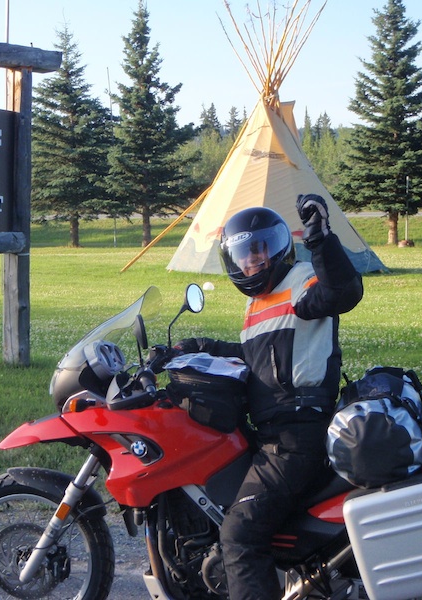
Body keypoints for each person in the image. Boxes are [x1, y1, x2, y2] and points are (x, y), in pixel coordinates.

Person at [175, 195, 363, 600]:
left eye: (259, 249)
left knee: (240, 533)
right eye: (244, 253)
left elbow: (342, 292)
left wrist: (321, 240)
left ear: (277, 248)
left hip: (295, 437)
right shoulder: (258, 302)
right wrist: (192, 347)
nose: (252, 261)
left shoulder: (300, 282)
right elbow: (252, 356)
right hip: (276, 434)